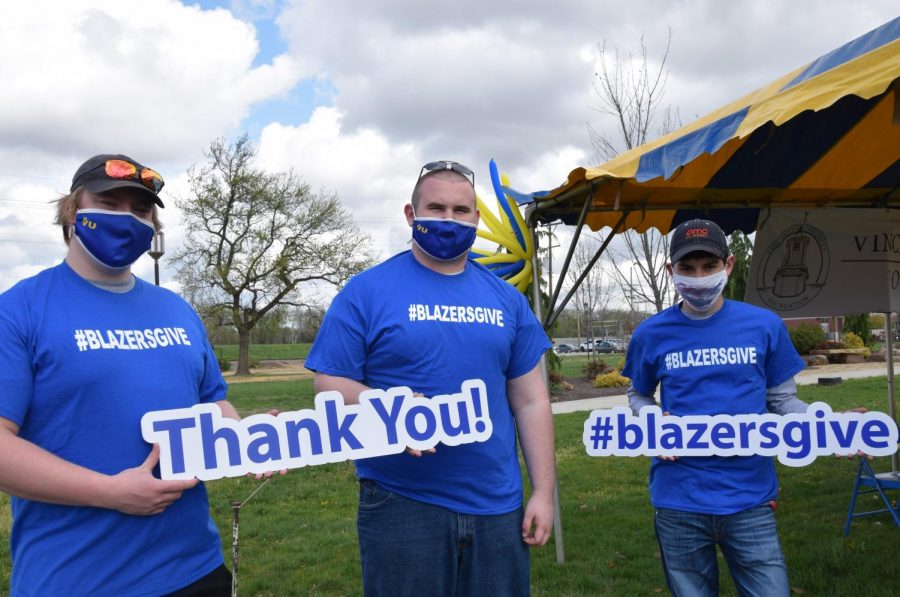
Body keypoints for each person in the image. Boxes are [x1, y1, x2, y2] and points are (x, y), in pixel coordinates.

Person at [305, 160, 556, 596]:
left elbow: (532, 400)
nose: (448, 219)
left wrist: (543, 492)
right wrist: (388, 409)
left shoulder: (507, 301)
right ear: (410, 214)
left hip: (497, 504)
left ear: (476, 219)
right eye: (436, 208)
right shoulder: (365, 291)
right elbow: (330, 383)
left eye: (461, 210)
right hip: (401, 501)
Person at [0, 154, 236, 596]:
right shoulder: (18, 310)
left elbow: (214, 403)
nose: (127, 219)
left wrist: (251, 442)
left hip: (196, 570)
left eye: (141, 210)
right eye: (109, 205)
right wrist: (109, 491)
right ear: (72, 210)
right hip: (77, 580)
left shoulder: (177, 310)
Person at [622, 218, 808, 597]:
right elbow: (637, 394)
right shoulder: (650, 333)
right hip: (679, 499)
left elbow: (783, 401)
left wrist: (831, 429)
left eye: (709, 266)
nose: (699, 277)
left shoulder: (765, 326)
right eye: (687, 268)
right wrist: (651, 418)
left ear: (729, 265)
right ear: (670, 271)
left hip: (749, 497)